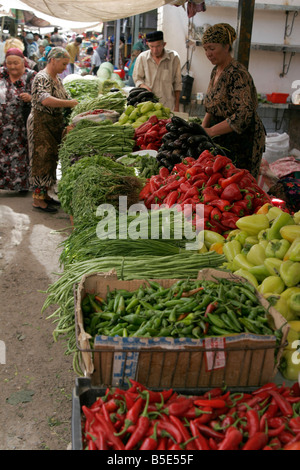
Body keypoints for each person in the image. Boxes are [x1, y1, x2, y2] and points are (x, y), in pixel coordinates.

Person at [201, 23, 265, 180]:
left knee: (240, 183)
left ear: (226, 46)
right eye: (205, 49)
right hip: (222, 134)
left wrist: (211, 131)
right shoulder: (216, 70)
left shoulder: (237, 73)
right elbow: (211, 106)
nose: (208, 53)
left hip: (242, 138)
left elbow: (243, 114)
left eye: (212, 48)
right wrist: (202, 129)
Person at [27, 47, 79, 213]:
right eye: (63, 64)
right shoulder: (42, 77)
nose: (65, 67)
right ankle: (38, 200)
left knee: (50, 158)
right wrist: (70, 104)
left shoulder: (56, 78)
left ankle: (46, 195)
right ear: (53, 60)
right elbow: (45, 100)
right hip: (40, 124)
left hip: (52, 124)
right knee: (41, 159)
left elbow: (64, 97)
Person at [0, 48, 36, 192]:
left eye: (16, 63)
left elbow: (42, 97)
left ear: (23, 62)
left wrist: (31, 98)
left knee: (21, 154)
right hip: (2, 124)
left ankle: (21, 185)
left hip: (21, 124)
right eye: (9, 63)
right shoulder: (1, 73)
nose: (12, 66)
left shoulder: (31, 76)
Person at [133, 31, 182, 111]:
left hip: (168, 106)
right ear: (148, 45)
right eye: (151, 47)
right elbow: (137, 79)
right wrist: (143, 86)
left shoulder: (174, 58)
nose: (155, 50)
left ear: (164, 44)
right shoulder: (142, 58)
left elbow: (178, 84)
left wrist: (177, 106)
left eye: (158, 46)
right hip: (148, 106)